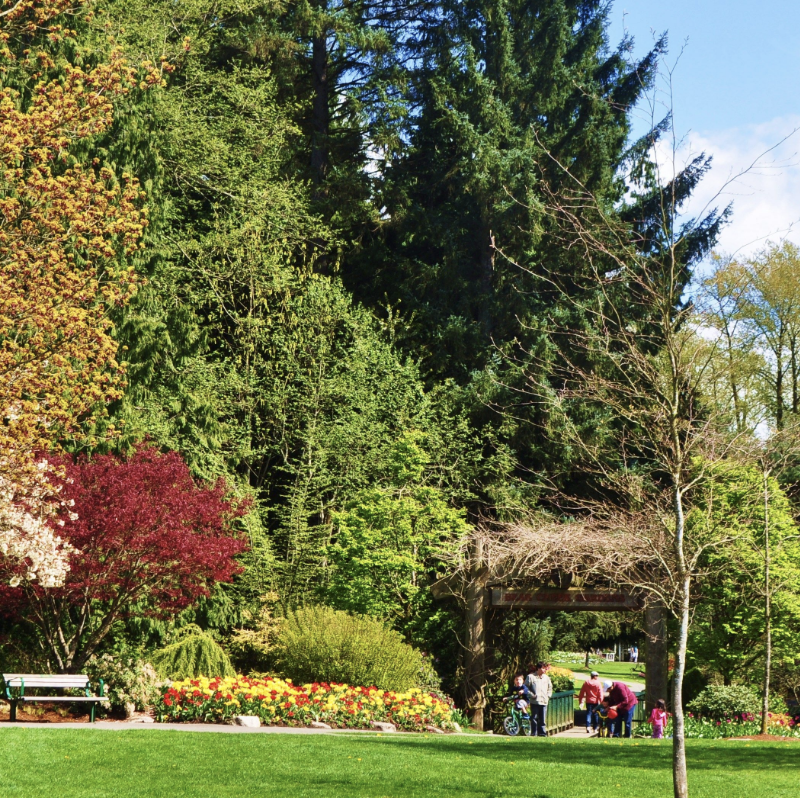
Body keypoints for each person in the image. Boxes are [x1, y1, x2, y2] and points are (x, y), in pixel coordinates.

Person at [526, 661, 553, 737]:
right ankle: (534, 733)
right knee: (534, 718)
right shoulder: (531, 677)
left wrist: (548, 696)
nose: (545, 670)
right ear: (538, 668)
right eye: (543, 668)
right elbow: (526, 688)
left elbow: (550, 688)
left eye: (545, 668)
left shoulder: (547, 678)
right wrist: (531, 695)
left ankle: (542, 733)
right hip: (535, 701)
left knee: (543, 719)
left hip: (544, 701)